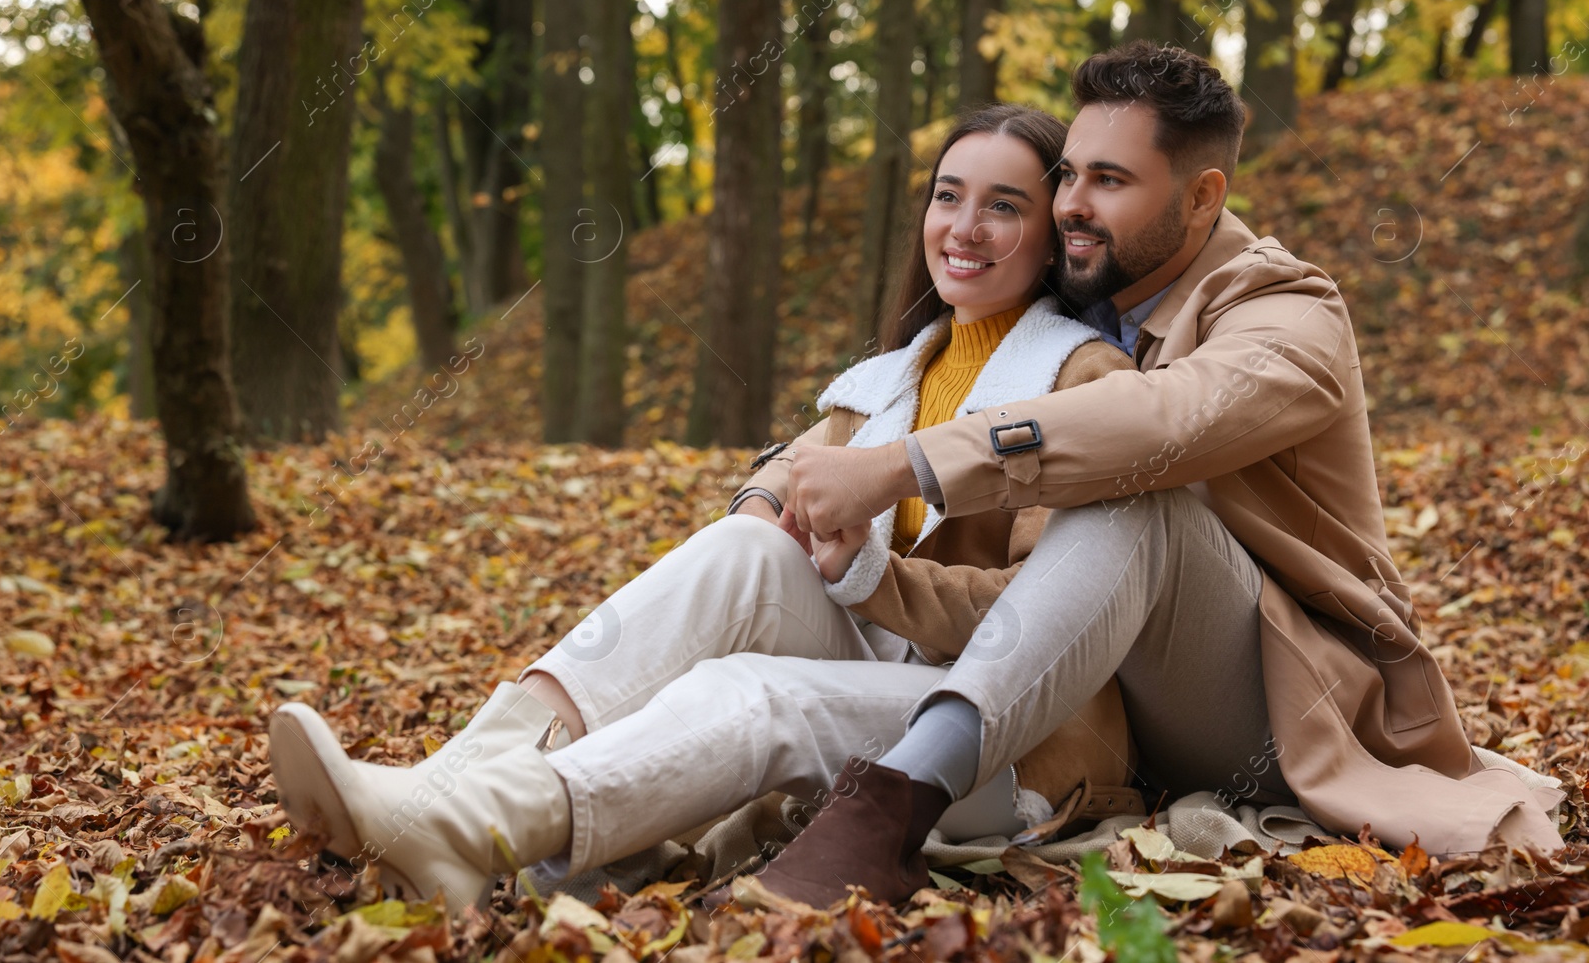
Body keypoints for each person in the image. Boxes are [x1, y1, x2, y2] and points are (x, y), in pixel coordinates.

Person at [741, 40, 1565, 906]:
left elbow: (1162, 419)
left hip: (1284, 709)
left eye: (1110, 181)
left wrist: (904, 469)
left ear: (1204, 195)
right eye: (1067, 175)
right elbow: (893, 388)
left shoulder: (1291, 314)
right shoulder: (1084, 306)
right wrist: (771, 490)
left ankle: (897, 801)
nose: (1071, 206)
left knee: (1138, 494)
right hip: (1110, 713)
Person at [267, 104, 1146, 915]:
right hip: (883, 674)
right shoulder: (897, 376)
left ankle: (475, 830)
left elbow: (1045, 620)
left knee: (750, 688)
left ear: (1051, 239)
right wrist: (772, 502)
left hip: (1002, 741)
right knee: (744, 549)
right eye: (948, 196)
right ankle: (442, 788)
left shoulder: (1079, 381)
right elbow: (786, 468)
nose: (964, 227)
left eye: (1003, 206)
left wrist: (876, 573)